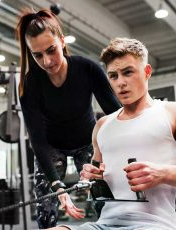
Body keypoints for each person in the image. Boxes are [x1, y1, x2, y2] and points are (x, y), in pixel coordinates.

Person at [51, 37, 176, 230]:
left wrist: (163, 173)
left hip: (153, 225)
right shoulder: (102, 125)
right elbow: (97, 180)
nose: (120, 82)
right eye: (113, 76)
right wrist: (90, 178)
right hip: (105, 225)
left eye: (128, 72)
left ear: (147, 72)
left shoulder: (174, 112)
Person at [15, 8, 121, 228]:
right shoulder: (31, 84)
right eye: (37, 55)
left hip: (88, 142)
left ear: (62, 41)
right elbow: (37, 140)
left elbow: (115, 115)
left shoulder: (88, 69)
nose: (46, 61)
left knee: (106, 201)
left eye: (51, 50)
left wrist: (108, 157)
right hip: (52, 146)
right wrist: (57, 186)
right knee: (46, 205)